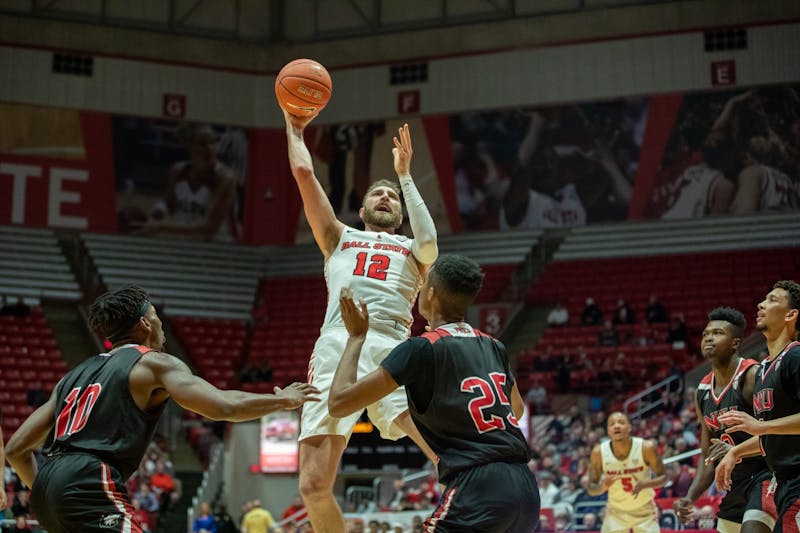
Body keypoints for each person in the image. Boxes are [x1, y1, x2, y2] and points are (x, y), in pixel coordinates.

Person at [4, 285, 319, 533]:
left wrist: (51, 490)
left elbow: (17, 448)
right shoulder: (152, 363)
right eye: (156, 315)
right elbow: (223, 406)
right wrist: (282, 400)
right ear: (144, 323)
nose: (160, 323)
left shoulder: (71, 376)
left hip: (47, 489)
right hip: (88, 478)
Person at [284, 110, 439, 533]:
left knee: (445, 455)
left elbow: (430, 244)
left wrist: (404, 176)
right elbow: (302, 171)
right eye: (378, 194)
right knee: (313, 485)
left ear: (402, 209)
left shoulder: (412, 248)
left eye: (392, 195)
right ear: (362, 208)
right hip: (338, 343)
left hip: (393, 344)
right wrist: (293, 125)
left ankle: (477, 499)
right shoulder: (338, 237)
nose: (386, 197)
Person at [328, 254, 540, 532]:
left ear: (430, 294)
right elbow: (517, 410)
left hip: (478, 487)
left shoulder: (422, 348)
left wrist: (356, 337)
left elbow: (339, 403)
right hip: (525, 488)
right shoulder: (493, 345)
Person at [674, 307, 775, 533]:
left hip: (766, 476)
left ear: (735, 343)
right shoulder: (701, 390)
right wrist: (690, 497)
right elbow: (707, 456)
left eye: (718, 333)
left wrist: (734, 449)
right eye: (705, 334)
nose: (709, 337)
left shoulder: (752, 376)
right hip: (735, 485)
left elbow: (777, 434)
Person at [716, 280, 800, 532]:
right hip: (784, 482)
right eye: (763, 299)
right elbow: (775, 432)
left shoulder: (795, 357)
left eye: (773, 300)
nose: (762, 304)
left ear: (791, 315)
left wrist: (758, 426)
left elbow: (766, 428)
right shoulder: (764, 368)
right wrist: (735, 451)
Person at [587, 412, 666, 533]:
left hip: (644, 511)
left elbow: (664, 478)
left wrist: (645, 484)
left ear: (629, 427)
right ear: (608, 430)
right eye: (612, 424)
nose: (616, 426)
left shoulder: (646, 448)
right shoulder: (598, 452)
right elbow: (591, 488)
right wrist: (604, 487)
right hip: (615, 512)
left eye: (621, 422)